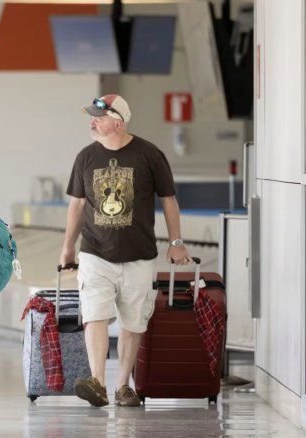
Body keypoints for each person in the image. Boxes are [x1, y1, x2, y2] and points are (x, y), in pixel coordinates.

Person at [59, 94, 191, 407]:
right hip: (94, 252)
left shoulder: (149, 155)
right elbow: (77, 204)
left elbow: (169, 199)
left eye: (98, 117)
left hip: (140, 255)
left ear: (118, 121)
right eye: (91, 117)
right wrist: (68, 248)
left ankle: (123, 387)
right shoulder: (86, 157)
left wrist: (176, 243)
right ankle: (98, 383)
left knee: (133, 323)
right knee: (95, 316)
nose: (92, 122)